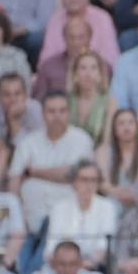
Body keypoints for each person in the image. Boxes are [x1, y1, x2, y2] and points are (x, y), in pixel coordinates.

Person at [7, 92, 96, 233]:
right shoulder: (28, 142)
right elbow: (15, 180)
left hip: (68, 221)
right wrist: (17, 218)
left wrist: (33, 172)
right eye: (51, 111)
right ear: (43, 114)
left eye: (62, 111)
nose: (57, 116)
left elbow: (71, 174)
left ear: (69, 113)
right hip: (30, 220)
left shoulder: (82, 140)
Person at [44, 161, 117, 270]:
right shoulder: (59, 207)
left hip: (92, 269)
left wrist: (83, 265)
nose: (89, 185)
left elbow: (104, 245)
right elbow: (51, 246)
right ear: (74, 181)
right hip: (60, 269)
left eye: (93, 180)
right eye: (84, 180)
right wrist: (65, 265)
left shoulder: (107, 207)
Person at [40, 0, 121, 71]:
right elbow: (46, 59)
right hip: (62, 73)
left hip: (95, 74)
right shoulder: (55, 20)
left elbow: (111, 58)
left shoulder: (103, 18)